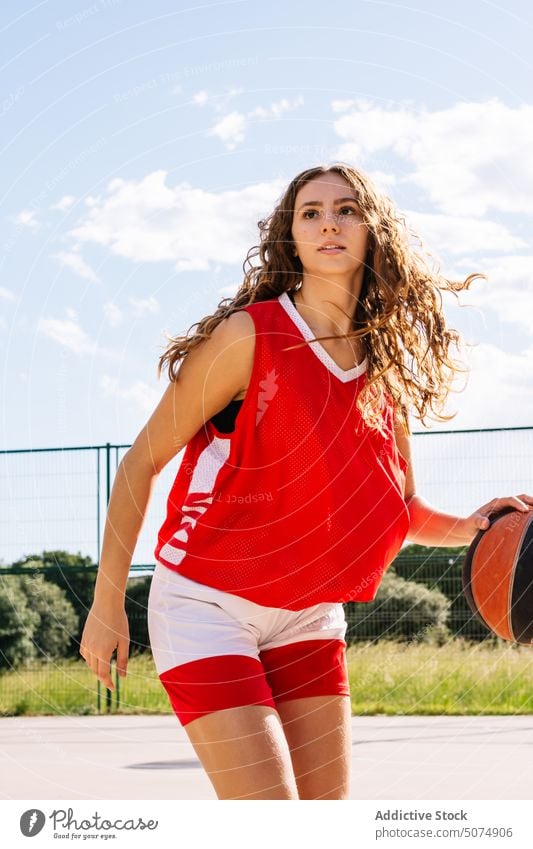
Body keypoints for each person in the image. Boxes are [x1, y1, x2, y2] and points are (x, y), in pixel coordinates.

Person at [80, 163, 533, 800]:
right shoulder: (250, 337)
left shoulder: (385, 372)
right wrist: (106, 606)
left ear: (374, 231)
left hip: (309, 616)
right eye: (310, 213)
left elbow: (399, 507)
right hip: (208, 604)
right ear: (290, 237)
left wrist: (473, 525)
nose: (329, 224)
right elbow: (139, 464)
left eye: (345, 210)